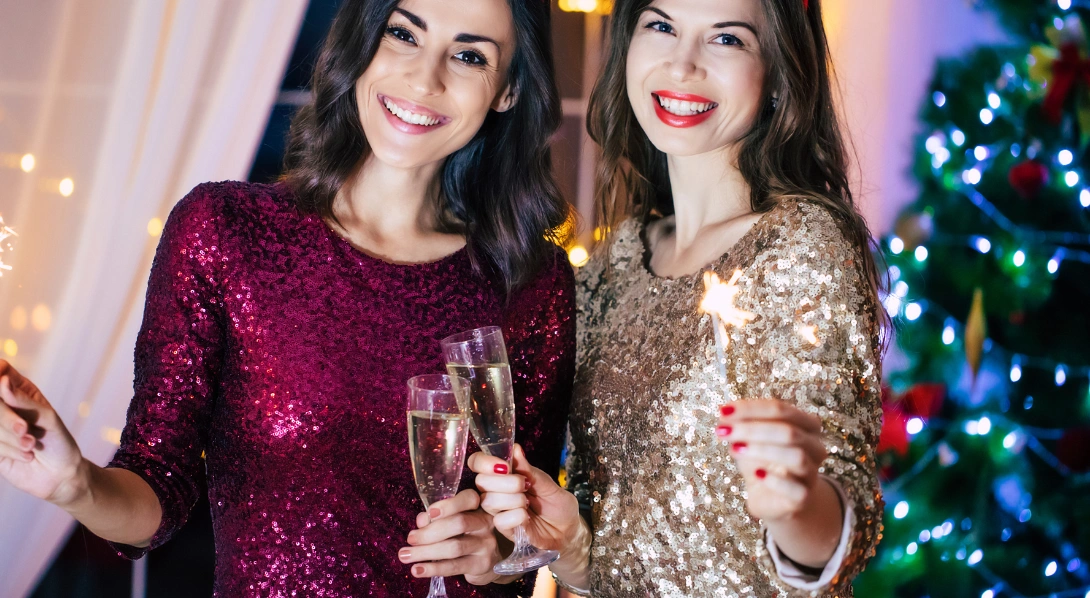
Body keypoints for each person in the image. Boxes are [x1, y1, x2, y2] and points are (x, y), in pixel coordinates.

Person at [0, 0, 575, 595]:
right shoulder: (226, 230)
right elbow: (157, 493)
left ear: (508, 90)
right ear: (363, 41)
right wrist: (75, 485)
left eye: (469, 56)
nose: (424, 79)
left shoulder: (531, 282)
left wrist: (496, 553)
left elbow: (524, 538)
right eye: (403, 34)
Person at [470, 0, 885, 595]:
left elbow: (845, 528)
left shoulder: (800, 245)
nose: (682, 64)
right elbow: (617, 560)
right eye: (662, 25)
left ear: (777, 73)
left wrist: (797, 508)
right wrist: (572, 545)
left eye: (727, 39)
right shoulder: (616, 259)